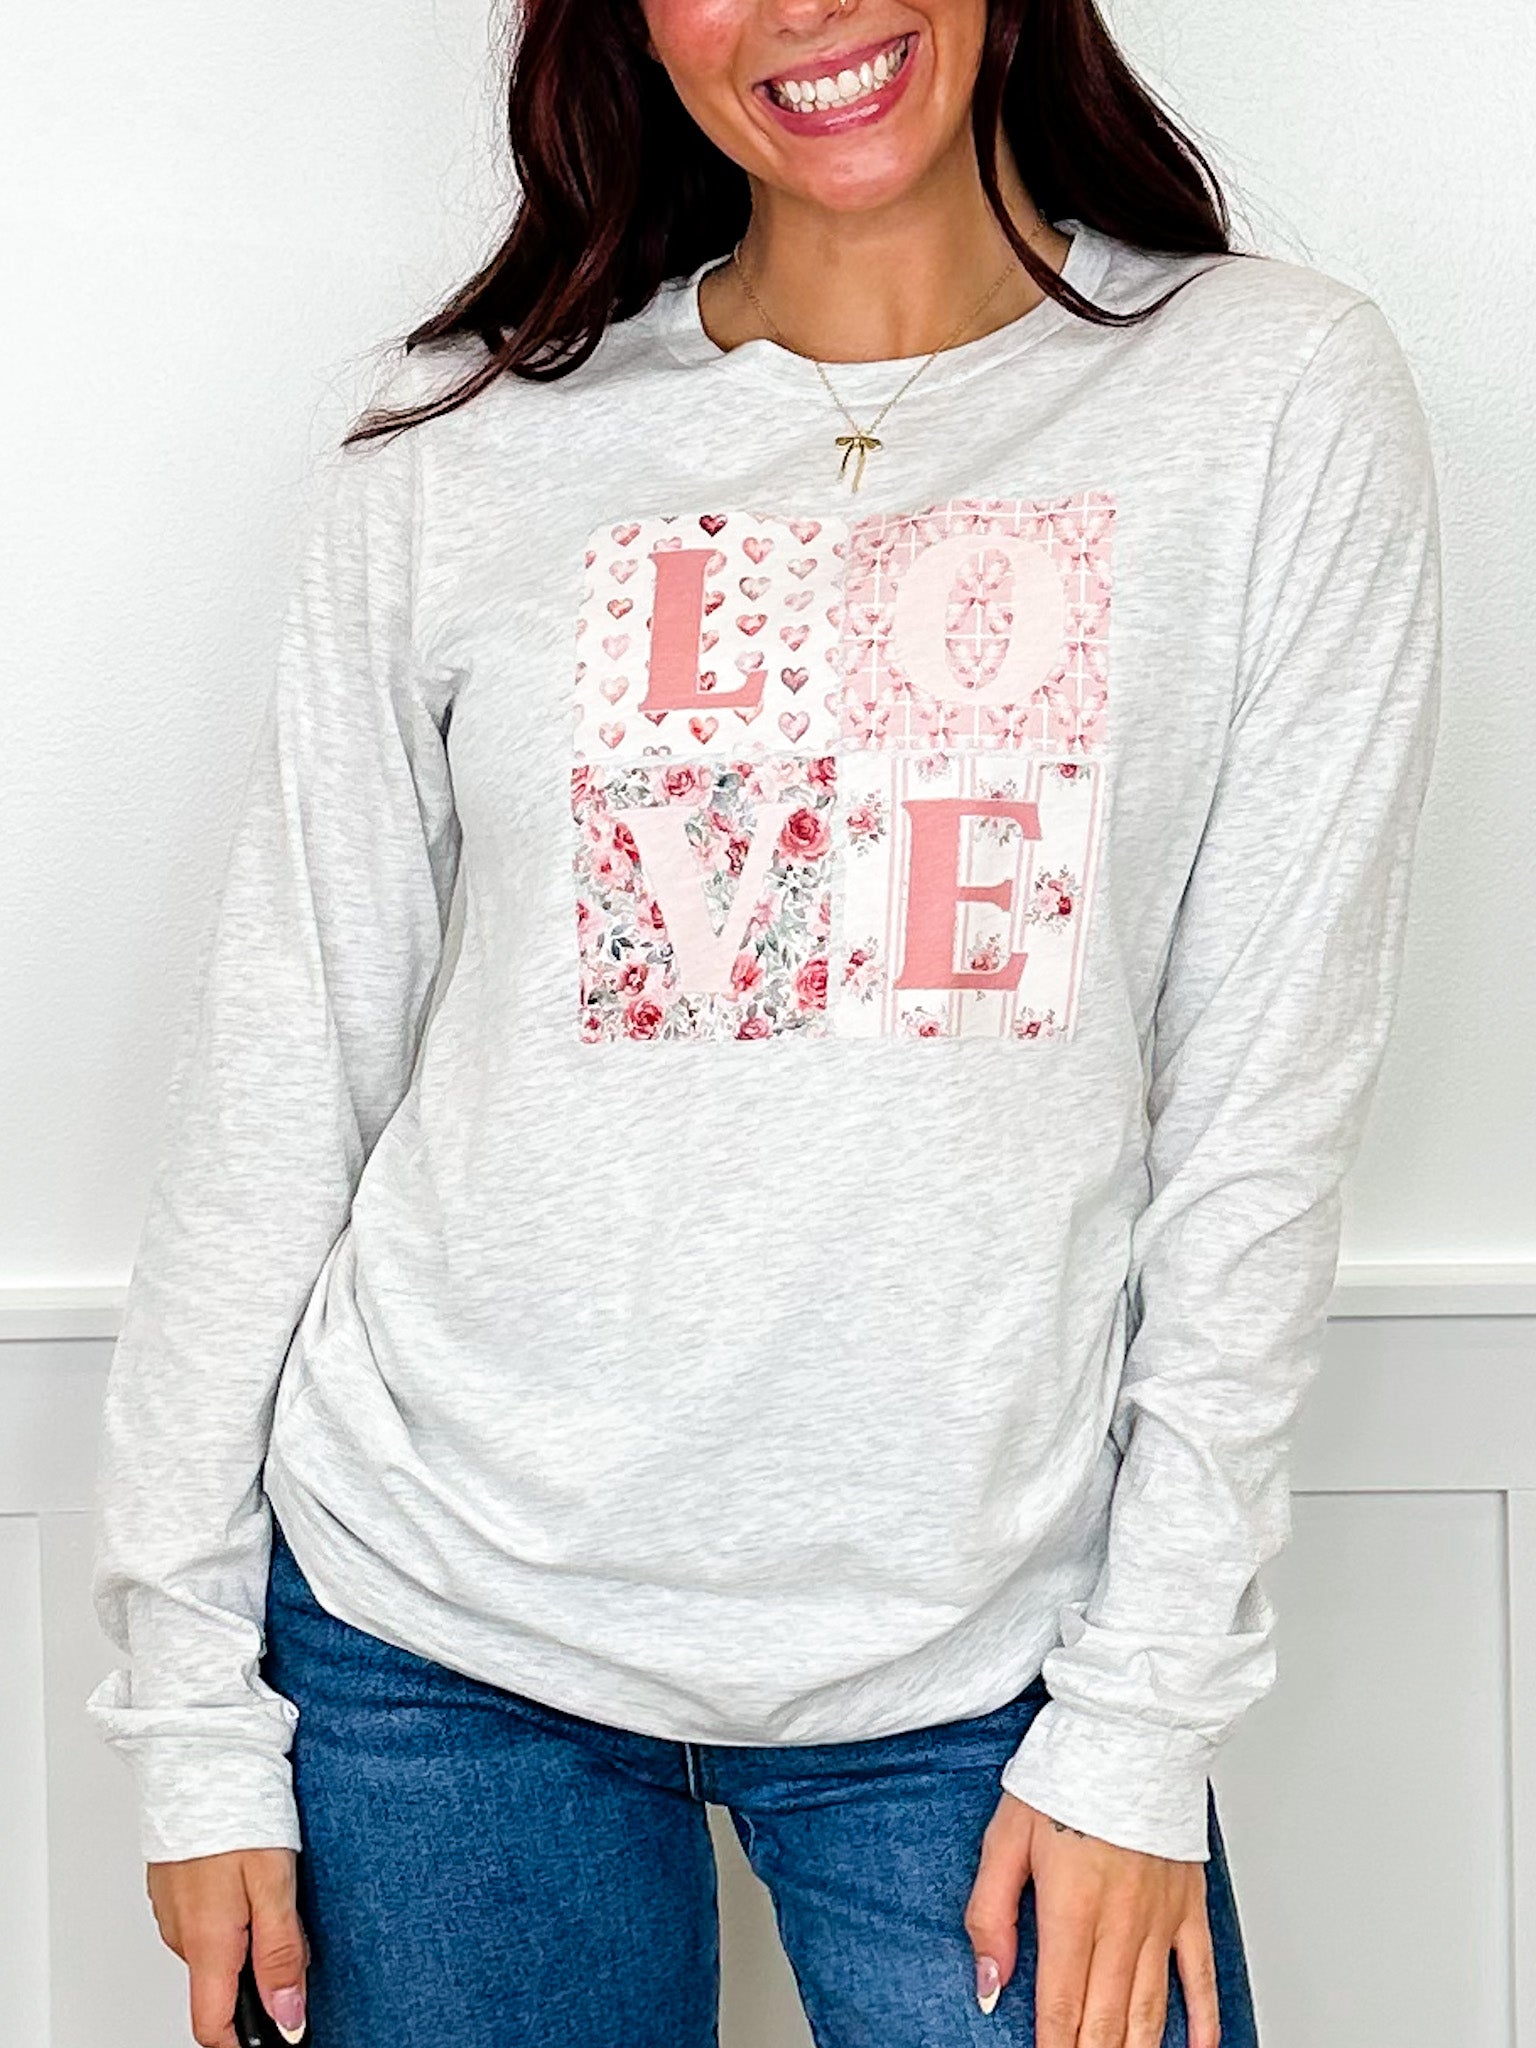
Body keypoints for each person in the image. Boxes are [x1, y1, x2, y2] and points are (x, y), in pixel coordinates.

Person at [87, 0, 1442, 2043]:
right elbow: (284, 1068)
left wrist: (1143, 1718)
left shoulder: (1268, 392)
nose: (804, 8)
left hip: (988, 1662)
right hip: (430, 1637)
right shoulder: (462, 432)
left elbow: (1266, 1109)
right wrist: (194, 1708)